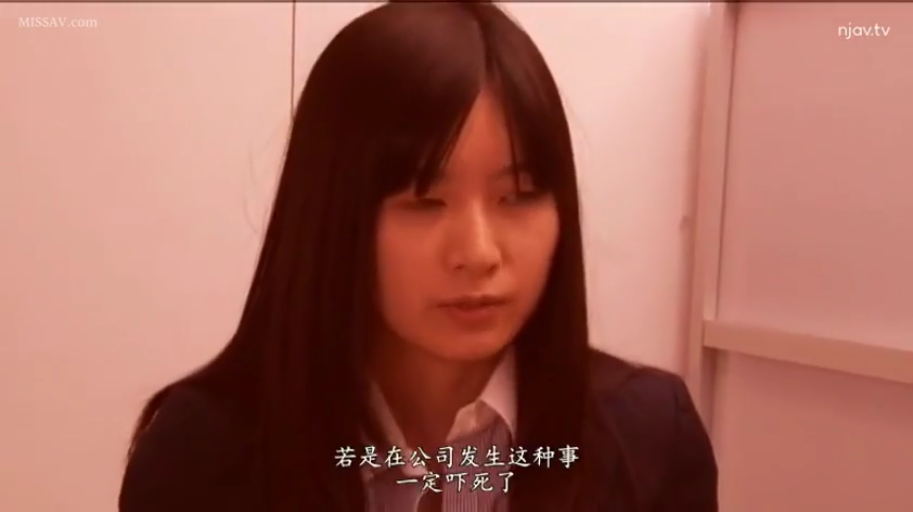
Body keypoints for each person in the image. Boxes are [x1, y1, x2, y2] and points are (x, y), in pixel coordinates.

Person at [118, 2, 717, 511]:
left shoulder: (649, 434)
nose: (478, 253)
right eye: (425, 201)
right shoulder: (203, 451)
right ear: (334, 214)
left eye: (519, 196)